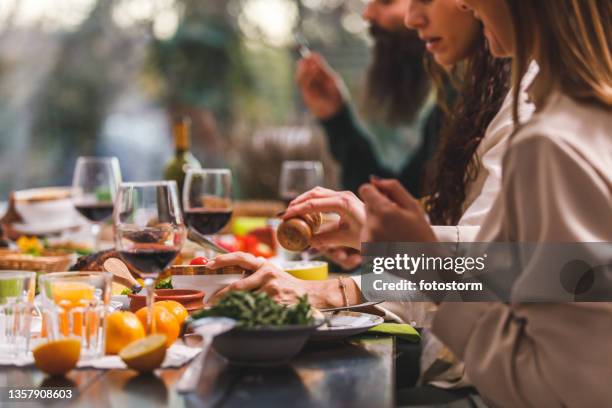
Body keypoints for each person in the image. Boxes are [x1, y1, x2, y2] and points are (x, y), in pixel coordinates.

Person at [357, 0, 612, 405]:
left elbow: (558, 391)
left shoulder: (549, 145)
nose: (465, 4)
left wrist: (422, 260)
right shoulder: (583, 117)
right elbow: (521, 275)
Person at [296, 0, 442, 197]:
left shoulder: (478, 104)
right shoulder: (449, 106)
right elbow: (401, 197)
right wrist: (336, 117)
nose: (367, 14)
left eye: (386, 1)